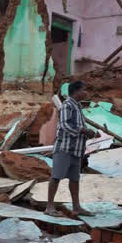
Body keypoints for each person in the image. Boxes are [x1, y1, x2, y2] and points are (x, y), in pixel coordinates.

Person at [45, 81, 99, 217]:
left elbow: (78, 125)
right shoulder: (67, 105)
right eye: (84, 90)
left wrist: (88, 132)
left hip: (76, 149)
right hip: (64, 148)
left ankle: (76, 207)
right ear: (77, 91)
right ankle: (49, 207)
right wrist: (83, 131)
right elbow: (64, 125)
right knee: (56, 177)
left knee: (74, 179)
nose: (86, 92)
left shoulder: (78, 106)